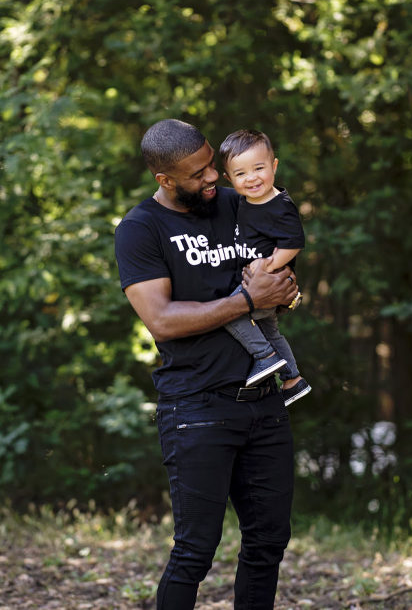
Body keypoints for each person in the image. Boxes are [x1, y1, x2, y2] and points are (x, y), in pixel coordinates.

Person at [114, 119, 299, 610]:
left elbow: (278, 268)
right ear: (166, 180)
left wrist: (285, 290)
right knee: (195, 551)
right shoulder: (141, 230)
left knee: (268, 544)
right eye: (197, 174)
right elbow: (162, 320)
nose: (213, 177)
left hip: (266, 401)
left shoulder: (239, 205)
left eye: (212, 162)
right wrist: (246, 299)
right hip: (195, 407)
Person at [219, 129, 312, 406]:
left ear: (273, 166)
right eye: (241, 174)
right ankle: (293, 379)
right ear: (229, 179)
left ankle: (265, 358)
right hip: (257, 281)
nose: (252, 178)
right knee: (270, 330)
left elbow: (294, 243)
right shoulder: (245, 202)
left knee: (227, 313)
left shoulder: (279, 205)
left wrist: (269, 265)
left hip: (266, 281)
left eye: (259, 168)